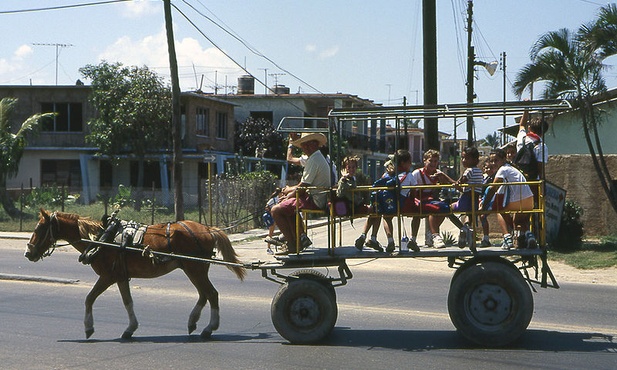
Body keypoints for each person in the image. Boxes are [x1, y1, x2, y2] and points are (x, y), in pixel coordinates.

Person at [269, 132, 331, 255]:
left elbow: (303, 186)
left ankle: (291, 244)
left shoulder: (314, 159)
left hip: (315, 199)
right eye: (304, 145)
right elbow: (303, 185)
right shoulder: (314, 158)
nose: (305, 147)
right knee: (287, 206)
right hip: (315, 196)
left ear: (315, 145)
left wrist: (288, 195)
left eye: (308, 144)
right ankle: (297, 239)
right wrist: (289, 194)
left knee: (276, 210)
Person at [481, 148, 536, 250]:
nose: (493, 163)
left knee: (499, 210)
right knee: (519, 221)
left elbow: (493, 188)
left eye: (496, 160)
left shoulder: (503, 170)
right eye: (491, 161)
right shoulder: (512, 169)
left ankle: (507, 237)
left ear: (503, 159)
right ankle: (529, 236)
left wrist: (484, 205)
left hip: (518, 201)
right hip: (529, 200)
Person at [445, 147, 484, 250]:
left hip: (466, 199)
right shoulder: (479, 172)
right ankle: (467, 229)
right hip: (474, 199)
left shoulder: (469, 171)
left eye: (466, 158)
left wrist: (451, 181)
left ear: (475, 160)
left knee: (448, 209)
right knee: (469, 215)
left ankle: (463, 228)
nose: (463, 161)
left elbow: (460, 181)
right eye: (462, 158)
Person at [410, 149, 450, 248]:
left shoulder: (438, 173)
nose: (433, 163)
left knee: (445, 209)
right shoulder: (417, 173)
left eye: (435, 161)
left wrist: (442, 178)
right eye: (430, 161)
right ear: (425, 161)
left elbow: (446, 185)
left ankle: (433, 233)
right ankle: (413, 239)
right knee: (418, 214)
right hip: (418, 199)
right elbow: (412, 190)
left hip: (431, 200)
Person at [354, 157, 396, 252]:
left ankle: (366, 236)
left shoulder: (384, 176)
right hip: (390, 202)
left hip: (378, 200)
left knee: (375, 214)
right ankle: (389, 241)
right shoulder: (396, 176)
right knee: (385, 217)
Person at [478, 157, 496, 247]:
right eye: (487, 168)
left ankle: (486, 238)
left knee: (483, 215)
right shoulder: (483, 178)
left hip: (492, 199)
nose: (489, 170)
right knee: (480, 216)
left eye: (491, 168)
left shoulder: (495, 178)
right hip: (483, 199)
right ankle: (484, 237)